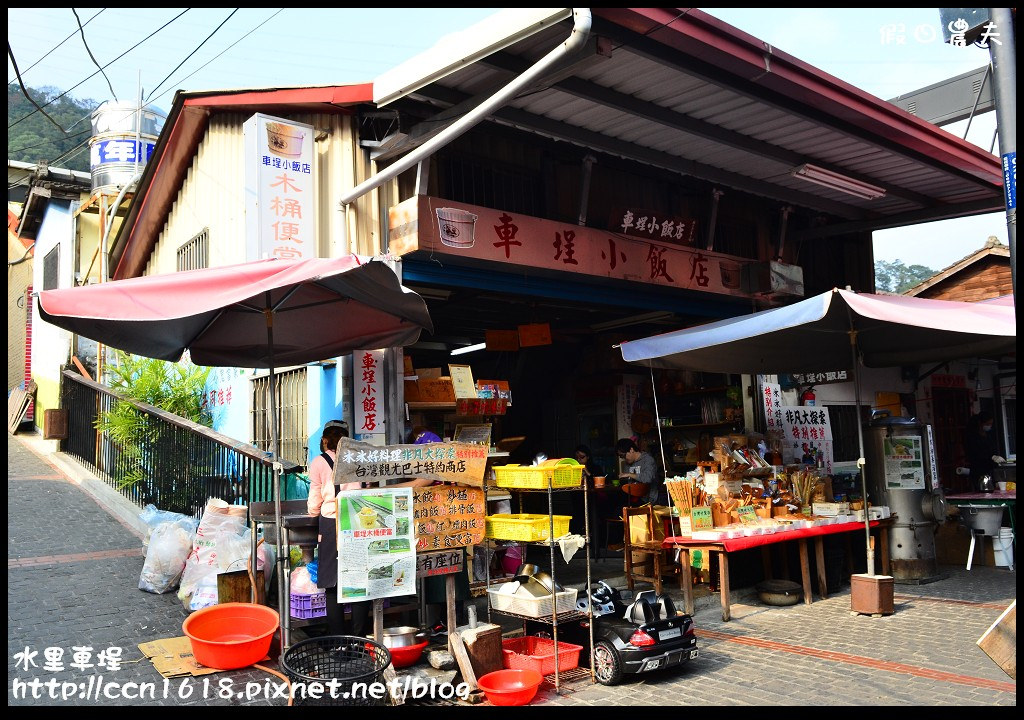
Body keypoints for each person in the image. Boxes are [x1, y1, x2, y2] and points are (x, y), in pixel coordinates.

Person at [307, 420, 368, 637]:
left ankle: (338, 640)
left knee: (332, 585)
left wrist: (313, 513)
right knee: (359, 581)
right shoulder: (357, 459)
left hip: (332, 521)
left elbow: (315, 497)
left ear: (325, 440)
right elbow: (367, 487)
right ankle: (359, 638)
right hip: (358, 521)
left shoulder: (319, 462)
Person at [616, 437, 661, 505]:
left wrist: (629, 474)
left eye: (624, 455)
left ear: (631, 450)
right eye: (621, 457)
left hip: (648, 499)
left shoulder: (648, 460)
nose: (624, 459)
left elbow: (648, 478)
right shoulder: (627, 463)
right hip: (632, 498)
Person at [965, 411, 999, 489]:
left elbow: (993, 448)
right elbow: (975, 453)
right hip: (978, 470)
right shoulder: (972, 437)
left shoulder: (989, 435)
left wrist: (995, 457)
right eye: (987, 424)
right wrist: (991, 457)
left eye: (990, 424)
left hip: (990, 469)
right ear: (980, 423)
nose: (989, 426)